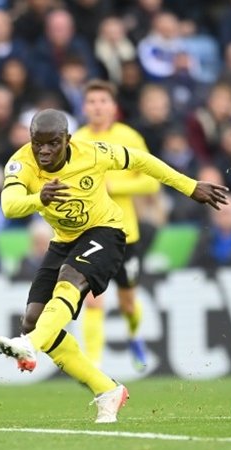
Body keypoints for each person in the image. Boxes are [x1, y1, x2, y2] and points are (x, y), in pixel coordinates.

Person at [0, 108, 228, 423]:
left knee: (69, 281)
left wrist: (189, 187)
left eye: (52, 143)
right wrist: (40, 199)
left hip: (106, 231)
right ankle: (107, 389)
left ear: (68, 140)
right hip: (64, 240)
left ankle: (29, 345)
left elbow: (142, 160)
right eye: (38, 143)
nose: (44, 151)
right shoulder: (21, 162)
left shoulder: (93, 153)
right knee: (33, 319)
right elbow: (9, 207)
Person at [73, 79, 160, 371]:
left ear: (113, 107)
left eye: (103, 101)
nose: (97, 107)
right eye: (92, 102)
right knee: (93, 301)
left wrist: (114, 184)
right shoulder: (77, 141)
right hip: (91, 233)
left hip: (125, 233)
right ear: (84, 108)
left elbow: (151, 180)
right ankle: (94, 368)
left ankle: (134, 334)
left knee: (128, 304)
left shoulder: (129, 137)